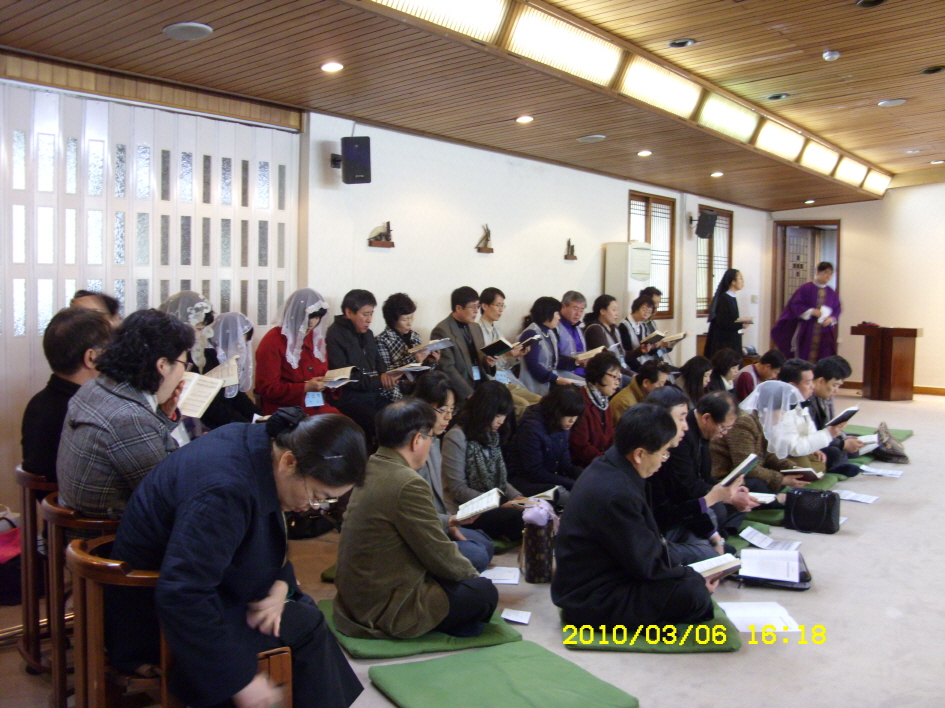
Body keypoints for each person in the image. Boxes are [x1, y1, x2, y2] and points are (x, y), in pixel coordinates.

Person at [107, 410, 365, 708]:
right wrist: (239, 680)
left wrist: (280, 584)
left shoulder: (257, 445)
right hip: (154, 622)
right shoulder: (225, 488)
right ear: (289, 462)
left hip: (185, 591)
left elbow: (261, 538)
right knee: (306, 625)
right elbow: (182, 592)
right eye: (317, 495)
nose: (313, 506)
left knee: (300, 609)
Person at [334, 398, 498, 639]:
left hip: (357, 598)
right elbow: (438, 552)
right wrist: (473, 580)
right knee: (483, 592)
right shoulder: (407, 482)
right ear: (416, 440)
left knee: (471, 557)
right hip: (384, 607)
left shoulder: (372, 465)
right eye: (430, 436)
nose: (431, 443)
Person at [551, 404, 715, 629]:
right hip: (590, 599)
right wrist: (693, 577)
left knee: (686, 573)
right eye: (663, 453)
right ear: (639, 454)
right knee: (693, 593)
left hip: (603, 577)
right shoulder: (618, 493)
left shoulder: (611, 466)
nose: (664, 459)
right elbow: (647, 565)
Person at [57, 309, 194, 519]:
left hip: (80, 523)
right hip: (106, 535)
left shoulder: (95, 387)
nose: (184, 373)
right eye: (184, 364)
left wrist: (163, 417)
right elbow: (169, 494)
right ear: (162, 365)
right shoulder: (129, 419)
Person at [647, 388, 757, 563]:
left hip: (674, 518)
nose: (685, 426)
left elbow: (701, 479)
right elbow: (682, 493)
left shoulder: (682, 440)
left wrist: (725, 493)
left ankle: (710, 538)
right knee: (716, 514)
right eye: (681, 419)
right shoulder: (671, 447)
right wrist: (721, 498)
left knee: (718, 521)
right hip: (659, 532)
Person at [412, 372, 495, 572]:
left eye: (452, 409)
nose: (448, 417)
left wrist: (451, 527)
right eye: (442, 410)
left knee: (485, 544)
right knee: (477, 555)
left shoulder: (434, 440)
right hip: (418, 531)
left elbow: (436, 501)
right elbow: (415, 515)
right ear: (421, 406)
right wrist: (449, 522)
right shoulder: (413, 445)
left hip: (437, 522)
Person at [21, 308, 112, 483]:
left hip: (48, 498)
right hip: (75, 499)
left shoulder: (37, 402)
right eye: (108, 350)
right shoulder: (87, 410)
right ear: (91, 357)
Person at [441, 381, 527, 541]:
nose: (501, 421)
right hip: (465, 510)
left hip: (489, 502)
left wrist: (517, 497)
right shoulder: (456, 437)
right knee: (518, 518)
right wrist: (500, 502)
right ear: (484, 411)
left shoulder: (491, 434)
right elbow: (458, 489)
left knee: (533, 509)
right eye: (497, 416)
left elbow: (499, 479)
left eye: (504, 416)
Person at [712, 380, 818, 492]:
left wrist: (792, 468)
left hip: (744, 472)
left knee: (776, 479)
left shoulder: (759, 419)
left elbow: (768, 454)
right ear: (769, 408)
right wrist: (782, 480)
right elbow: (745, 466)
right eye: (782, 412)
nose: (782, 417)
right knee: (760, 484)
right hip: (725, 476)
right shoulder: (743, 423)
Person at [326, 289, 400, 442]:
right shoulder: (334, 335)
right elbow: (345, 376)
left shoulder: (368, 334)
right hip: (350, 398)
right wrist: (379, 381)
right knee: (385, 425)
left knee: (401, 416)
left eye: (371, 314)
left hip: (373, 394)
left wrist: (386, 375)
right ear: (348, 312)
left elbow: (379, 362)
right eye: (365, 314)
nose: (369, 320)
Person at [255, 288, 341, 418]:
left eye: (316, 318)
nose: (312, 323)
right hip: (286, 410)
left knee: (345, 424)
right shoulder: (273, 340)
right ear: (294, 315)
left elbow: (321, 372)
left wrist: (332, 382)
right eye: (308, 317)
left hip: (314, 405)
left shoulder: (314, 338)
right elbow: (267, 388)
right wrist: (305, 388)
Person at [506, 386, 585, 495]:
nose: (572, 420)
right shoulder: (531, 427)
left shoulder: (562, 424)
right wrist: (571, 484)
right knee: (569, 496)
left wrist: (586, 476)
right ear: (556, 411)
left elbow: (565, 464)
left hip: (548, 477)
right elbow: (534, 472)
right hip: (524, 481)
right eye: (569, 415)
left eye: (575, 415)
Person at [476, 287, 540, 416]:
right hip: (491, 383)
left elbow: (505, 364)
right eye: (498, 305)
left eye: (503, 306)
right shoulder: (477, 331)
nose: (501, 310)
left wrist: (515, 355)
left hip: (504, 379)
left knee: (539, 400)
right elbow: (486, 364)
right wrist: (507, 355)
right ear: (484, 306)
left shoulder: (497, 330)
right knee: (523, 404)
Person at [777, 358, 849, 471]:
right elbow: (794, 447)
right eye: (808, 383)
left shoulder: (801, 400)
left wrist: (814, 448)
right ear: (792, 387)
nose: (813, 386)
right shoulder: (779, 409)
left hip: (800, 445)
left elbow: (810, 431)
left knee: (819, 460)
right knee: (807, 466)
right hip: (783, 452)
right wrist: (828, 434)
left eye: (812, 382)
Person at [431, 286, 494, 402]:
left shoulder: (475, 327)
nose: (477, 311)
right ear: (459, 308)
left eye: (478, 306)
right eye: (473, 307)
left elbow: (480, 358)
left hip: (482, 383)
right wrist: (469, 394)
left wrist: (487, 361)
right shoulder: (442, 331)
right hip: (462, 391)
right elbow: (447, 368)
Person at [375, 292, 441, 402]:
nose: (410, 323)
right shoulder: (382, 341)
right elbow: (387, 375)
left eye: (412, 318)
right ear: (393, 320)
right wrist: (413, 359)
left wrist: (431, 362)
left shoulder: (415, 336)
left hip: (418, 390)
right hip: (397, 394)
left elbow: (422, 373)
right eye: (405, 319)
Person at [804, 356, 864, 476]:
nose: (836, 390)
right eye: (835, 385)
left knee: (858, 440)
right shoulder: (808, 399)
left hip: (825, 437)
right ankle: (838, 464)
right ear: (821, 381)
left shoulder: (825, 395)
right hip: (813, 442)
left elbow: (830, 424)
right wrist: (842, 443)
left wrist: (841, 435)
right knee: (834, 451)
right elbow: (811, 436)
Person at [771, 261, 842, 362]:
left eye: (831, 274)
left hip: (825, 333)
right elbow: (795, 305)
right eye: (826, 272)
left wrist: (831, 319)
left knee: (824, 360)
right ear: (818, 272)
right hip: (807, 330)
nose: (828, 276)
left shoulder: (831, 292)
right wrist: (811, 311)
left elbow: (837, 309)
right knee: (805, 358)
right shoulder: (805, 288)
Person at [518, 296, 582, 396]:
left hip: (550, 380)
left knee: (583, 387)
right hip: (536, 386)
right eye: (557, 314)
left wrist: (575, 362)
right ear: (547, 314)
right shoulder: (531, 334)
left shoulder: (550, 333)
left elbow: (554, 361)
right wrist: (556, 379)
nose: (559, 317)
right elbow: (534, 367)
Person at [205, 311, 260, 425]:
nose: (241, 351)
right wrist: (246, 425)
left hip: (228, 420)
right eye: (238, 345)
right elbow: (214, 407)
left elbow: (237, 396)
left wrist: (261, 418)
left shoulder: (226, 359)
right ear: (225, 341)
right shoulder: (207, 360)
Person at [569, 351, 620, 467]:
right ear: (599, 373)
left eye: (618, 378)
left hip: (601, 460)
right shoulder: (581, 403)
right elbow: (581, 448)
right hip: (585, 466)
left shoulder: (604, 401)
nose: (617, 383)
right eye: (614, 377)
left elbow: (609, 437)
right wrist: (608, 462)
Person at [582, 294, 633, 385]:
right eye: (613, 310)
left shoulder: (614, 328)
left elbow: (622, 354)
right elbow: (607, 362)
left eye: (617, 310)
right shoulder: (595, 330)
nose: (617, 313)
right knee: (638, 383)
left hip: (621, 370)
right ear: (602, 311)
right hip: (608, 374)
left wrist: (641, 351)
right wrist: (631, 375)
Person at [704, 269, 750, 358]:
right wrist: (741, 325)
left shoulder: (732, 297)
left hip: (731, 338)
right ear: (733, 282)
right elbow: (723, 322)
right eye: (740, 278)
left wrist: (741, 323)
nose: (743, 281)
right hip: (724, 342)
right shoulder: (724, 299)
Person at [609, 359, 671, 425]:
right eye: (660, 384)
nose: (662, 388)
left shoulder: (648, 397)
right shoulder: (624, 403)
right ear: (646, 382)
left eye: (663, 383)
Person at [617, 295, 658, 370]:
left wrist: (654, 346)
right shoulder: (623, 326)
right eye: (644, 310)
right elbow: (626, 354)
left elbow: (649, 352)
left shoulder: (642, 325)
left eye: (649, 312)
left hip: (644, 363)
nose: (646, 315)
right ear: (636, 308)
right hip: (631, 366)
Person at [556, 291, 587, 375]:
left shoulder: (577, 328)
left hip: (584, 371)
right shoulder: (555, 327)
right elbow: (554, 358)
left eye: (581, 310)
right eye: (575, 309)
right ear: (563, 306)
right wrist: (575, 362)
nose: (578, 314)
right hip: (565, 373)